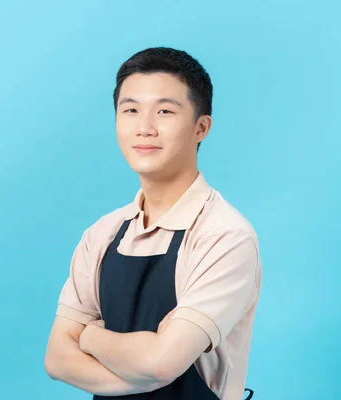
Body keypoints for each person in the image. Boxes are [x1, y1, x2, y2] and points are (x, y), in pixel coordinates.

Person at [45, 47, 262, 400]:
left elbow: (161, 365)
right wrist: (140, 374)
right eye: (130, 110)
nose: (144, 128)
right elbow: (57, 359)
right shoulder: (102, 234)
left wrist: (89, 336)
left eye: (164, 111)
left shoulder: (225, 236)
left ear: (201, 127)